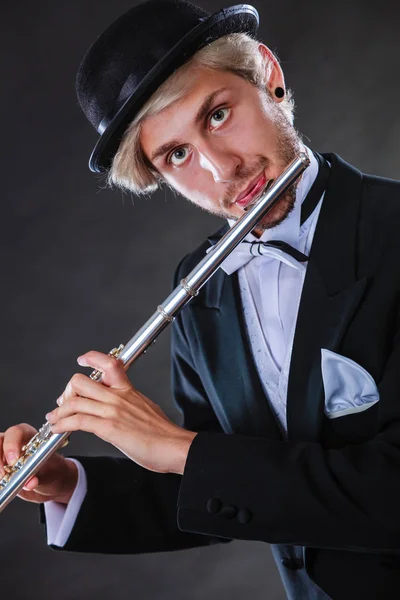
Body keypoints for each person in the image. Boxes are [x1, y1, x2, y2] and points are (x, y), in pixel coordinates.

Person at [2, 1, 400, 598]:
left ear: (268, 74)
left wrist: (179, 448)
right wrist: (68, 482)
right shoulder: (201, 286)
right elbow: (226, 482)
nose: (222, 170)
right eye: (177, 155)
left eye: (216, 114)